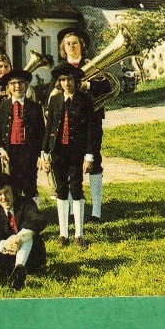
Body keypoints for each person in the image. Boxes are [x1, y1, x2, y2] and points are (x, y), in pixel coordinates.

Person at [57, 27, 110, 223]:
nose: (72, 46)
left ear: (82, 46)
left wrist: (87, 85)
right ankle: (71, 209)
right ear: (63, 48)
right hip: (68, 121)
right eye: (68, 44)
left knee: (94, 162)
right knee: (70, 163)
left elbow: (108, 86)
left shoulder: (92, 65)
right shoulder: (60, 69)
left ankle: (96, 211)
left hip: (92, 119)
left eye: (75, 43)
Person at [42, 62, 94, 249]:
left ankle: (79, 234)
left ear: (76, 81)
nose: (67, 83)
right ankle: (63, 233)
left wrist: (89, 155)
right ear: (59, 82)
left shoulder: (85, 100)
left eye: (70, 79)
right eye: (63, 80)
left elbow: (91, 130)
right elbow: (49, 128)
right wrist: (44, 151)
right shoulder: (55, 100)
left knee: (77, 189)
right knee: (61, 190)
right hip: (58, 152)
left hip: (77, 153)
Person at [0, 68, 46, 203]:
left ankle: (33, 217)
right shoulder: (3, 106)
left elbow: (41, 132)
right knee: (12, 185)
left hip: (29, 152)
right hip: (9, 153)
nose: (17, 86)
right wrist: (1, 149)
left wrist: (40, 155)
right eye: (14, 83)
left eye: (21, 83)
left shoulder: (35, 107)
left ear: (26, 85)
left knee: (30, 184)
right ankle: (15, 216)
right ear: (9, 86)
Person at [0, 173, 47, 290]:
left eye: (6, 192)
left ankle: (18, 274)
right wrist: (5, 244)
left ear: (13, 190)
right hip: (9, 256)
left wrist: (19, 237)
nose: (3, 197)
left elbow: (40, 220)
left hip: (32, 256)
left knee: (27, 235)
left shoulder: (26, 203)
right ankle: (15, 271)